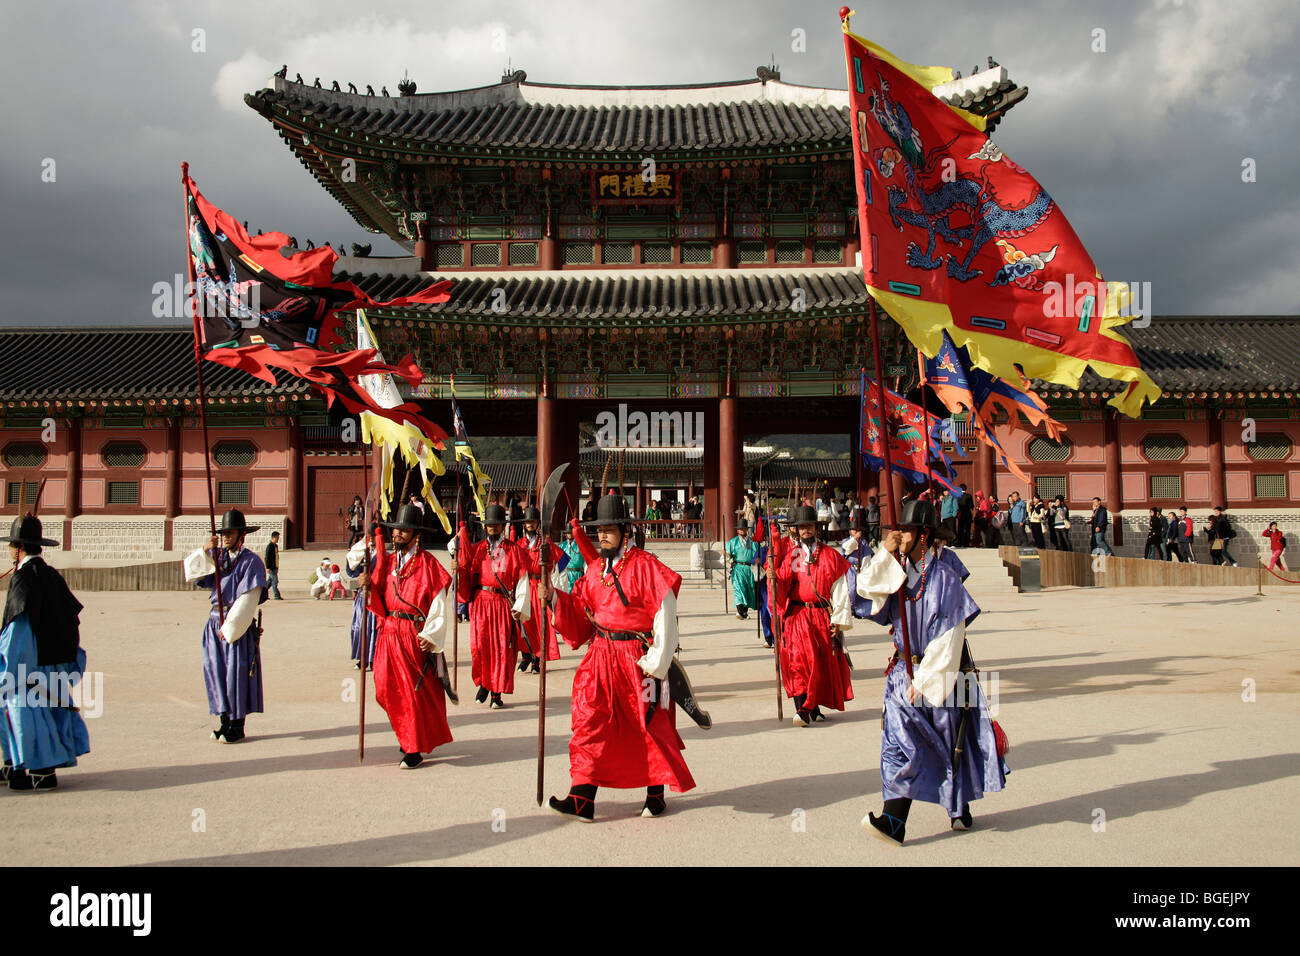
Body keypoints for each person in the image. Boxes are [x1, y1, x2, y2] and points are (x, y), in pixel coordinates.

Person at [855, 498, 1006, 844]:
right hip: (900, 672)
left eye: (906, 530)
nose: (901, 535)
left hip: (938, 672)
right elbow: (867, 590)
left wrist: (926, 681)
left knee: (951, 741)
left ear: (924, 535)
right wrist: (883, 551)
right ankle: (894, 821)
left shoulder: (945, 579)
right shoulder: (897, 571)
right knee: (899, 745)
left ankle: (958, 804)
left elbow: (952, 633)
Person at [544, 494, 695, 822]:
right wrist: (554, 598)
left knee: (648, 724)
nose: (602, 536)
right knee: (588, 722)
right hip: (599, 657)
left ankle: (655, 793)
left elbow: (665, 610)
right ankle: (582, 797)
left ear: (625, 531)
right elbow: (582, 615)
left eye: (609, 530)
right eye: (599, 531)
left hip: (635, 658)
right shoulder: (595, 569)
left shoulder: (645, 565)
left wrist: (658, 660)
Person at [1, 514, 90, 791]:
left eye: (11, 546)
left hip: (29, 663)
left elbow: (19, 627)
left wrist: (9, 666)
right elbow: (71, 620)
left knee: (22, 714)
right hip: (56, 661)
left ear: (18, 548)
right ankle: (16, 767)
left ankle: (34, 770)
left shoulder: (24, 579)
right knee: (48, 712)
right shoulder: (52, 576)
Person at [365, 504, 455, 768]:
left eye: (404, 531)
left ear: (416, 534)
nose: (397, 535)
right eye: (396, 530)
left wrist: (433, 633)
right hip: (388, 633)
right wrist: (366, 586)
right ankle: (406, 734)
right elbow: (378, 594)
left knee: (411, 693)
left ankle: (412, 747)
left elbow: (439, 602)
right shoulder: (388, 562)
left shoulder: (429, 564)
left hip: (412, 634)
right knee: (384, 689)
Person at [182, 509, 268, 744]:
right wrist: (205, 551)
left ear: (242, 535)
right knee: (215, 670)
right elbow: (195, 574)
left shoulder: (252, 561)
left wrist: (231, 626)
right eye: (224, 533)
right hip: (214, 621)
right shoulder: (217, 557)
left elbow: (250, 596)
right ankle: (223, 721)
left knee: (236, 672)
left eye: (231, 533)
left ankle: (237, 725)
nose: (226, 537)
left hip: (236, 623)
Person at [771, 504, 854, 727]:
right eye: (801, 527)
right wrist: (774, 578)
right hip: (797, 616)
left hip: (820, 616)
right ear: (796, 530)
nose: (806, 530)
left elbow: (840, 590)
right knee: (797, 661)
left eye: (809, 526)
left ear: (816, 528)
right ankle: (803, 709)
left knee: (817, 662)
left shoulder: (830, 555)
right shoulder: (793, 555)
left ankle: (813, 705)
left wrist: (838, 620)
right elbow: (782, 583)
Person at [457, 504, 530, 709]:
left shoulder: (513, 549)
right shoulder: (477, 549)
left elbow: (522, 578)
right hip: (480, 603)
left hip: (502, 604)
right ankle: (484, 683)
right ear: (485, 527)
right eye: (490, 525)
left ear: (502, 527)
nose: (493, 528)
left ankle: (496, 692)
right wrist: (458, 569)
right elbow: (466, 575)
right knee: (479, 647)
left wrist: (520, 605)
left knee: (501, 649)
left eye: (497, 525)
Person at [516, 506, 568, 675]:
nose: (529, 525)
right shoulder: (518, 544)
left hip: (539, 587)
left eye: (532, 522)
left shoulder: (545, 544)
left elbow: (563, 560)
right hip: (523, 587)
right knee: (522, 624)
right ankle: (526, 655)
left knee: (539, 625)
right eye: (527, 522)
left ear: (538, 524)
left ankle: (537, 659)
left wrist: (551, 575)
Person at [344, 537, 378, 669]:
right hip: (363, 596)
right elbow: (351, 570)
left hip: (376, 597)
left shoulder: (385, 555)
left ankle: (374, 658)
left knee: (374, 628)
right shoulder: (362, 552)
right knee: (359, 628)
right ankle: (361, 658)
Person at [842, 510, 876, 619]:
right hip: (850, 569)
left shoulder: (864, 543)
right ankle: (850, 608)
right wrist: (855, 538)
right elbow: (847, 549)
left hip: (861, 569)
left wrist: (865, 569)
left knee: (861, 589)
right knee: (851, 589)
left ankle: (860, 610)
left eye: (857, 530)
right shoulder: (846, 541)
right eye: (853, 530)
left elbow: (866, 557)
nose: (855, 532)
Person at [725, 519, 760, 620]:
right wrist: (726, 554)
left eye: (744, 529)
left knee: (748, 589)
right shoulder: (733, 542)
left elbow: (757, 552)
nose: (742, 530)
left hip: (749, 568)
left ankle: (744, 611)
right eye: (740, 529)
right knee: (739, 589)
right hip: (738, 568)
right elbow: (728, 556)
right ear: (737, 530)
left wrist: (758, 558)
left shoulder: (752, 541)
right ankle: (739, 610)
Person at [559, 525, 587, 592]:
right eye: (568, 533)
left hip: (578, 574)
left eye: (571, 532)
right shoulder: (562, 546)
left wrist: (586, 575)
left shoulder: (581, 544)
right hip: (566, 575)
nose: (570, 534)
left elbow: (585, 562)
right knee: (566, 595)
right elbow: (559, 563)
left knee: (578, 594)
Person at [263, 530, 283, 600]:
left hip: (275, 566)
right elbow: (267, 557)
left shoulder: (275, 546)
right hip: (271, 567)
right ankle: (276, 595)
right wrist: (267, 567)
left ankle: (262, 594)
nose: (278, 539)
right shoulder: (270, 546)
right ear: (273, 537)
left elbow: (276, 556)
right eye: (277, 537)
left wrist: (277, 566)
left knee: (269, 582)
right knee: (275, 581)